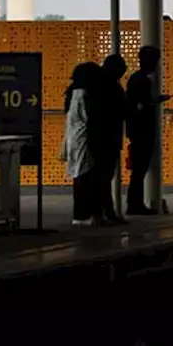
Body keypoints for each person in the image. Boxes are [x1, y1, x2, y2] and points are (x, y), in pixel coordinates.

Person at [125, 45, 169, 215]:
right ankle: (134, 203)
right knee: (140, 168)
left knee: (139, 168)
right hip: (142, 130)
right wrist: (155, 102)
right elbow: (140, 105)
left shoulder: (135, 78)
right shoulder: (143, 80)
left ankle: (134, 202)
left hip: (135, 129)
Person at [63, 62, 104, 227]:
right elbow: (90, 118)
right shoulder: (85, 95)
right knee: (86, 176)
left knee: (79, 176)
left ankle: (80, 213)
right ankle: (85, 213)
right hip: (84, 138)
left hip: (73, 139)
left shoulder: (71, 93)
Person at [92, 54, 129, 225]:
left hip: (100, 137)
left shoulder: (98, 85)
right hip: (108, 137)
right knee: (105, 177)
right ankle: (106, 212)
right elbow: (122, 109)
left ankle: (104, 212)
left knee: (102, 177)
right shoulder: (112, 87)